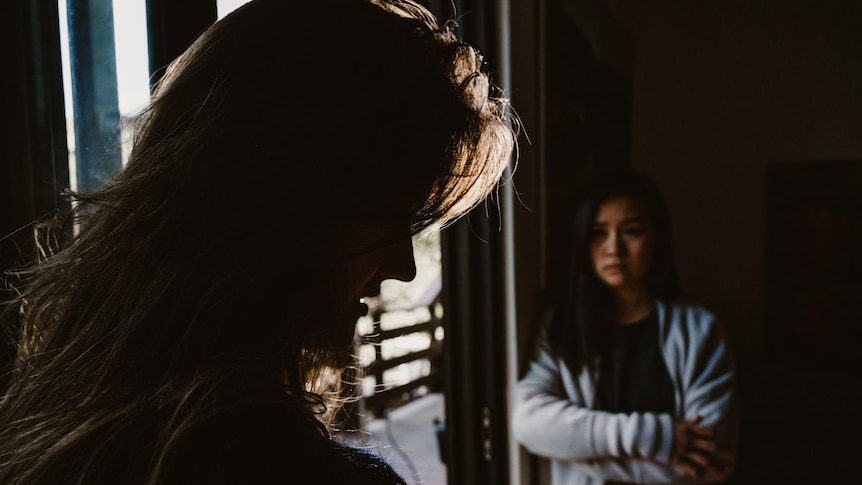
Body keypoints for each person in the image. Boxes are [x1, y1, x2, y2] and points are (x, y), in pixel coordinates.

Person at [0, 0, 515, 483]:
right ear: (292, 205)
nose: (404, 267)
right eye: (389, 218)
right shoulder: (284, 468)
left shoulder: (59, 410)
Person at [511, 168, 737, 484]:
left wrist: (579, 450)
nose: (613, 249)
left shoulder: (701, 330)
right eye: (598, 232)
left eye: (631, 231)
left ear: (657, 236)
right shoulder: (561, 324)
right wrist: (661, 438)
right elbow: (529, 423)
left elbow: (712, 460)